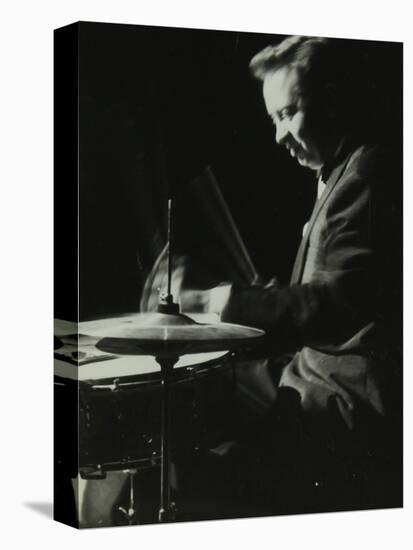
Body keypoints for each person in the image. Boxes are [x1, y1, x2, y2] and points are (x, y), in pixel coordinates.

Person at [175, 35, 402, 519]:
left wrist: (212, 302)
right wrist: (259, 295)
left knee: (198, 451)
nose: (278, 136)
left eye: (288, 112)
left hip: (346, 392)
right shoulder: (338, 173)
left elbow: (334, 303)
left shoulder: (367, 173)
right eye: (273, 119)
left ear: (333, 96)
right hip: (311, 369)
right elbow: (334, 289)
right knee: (203, 392)